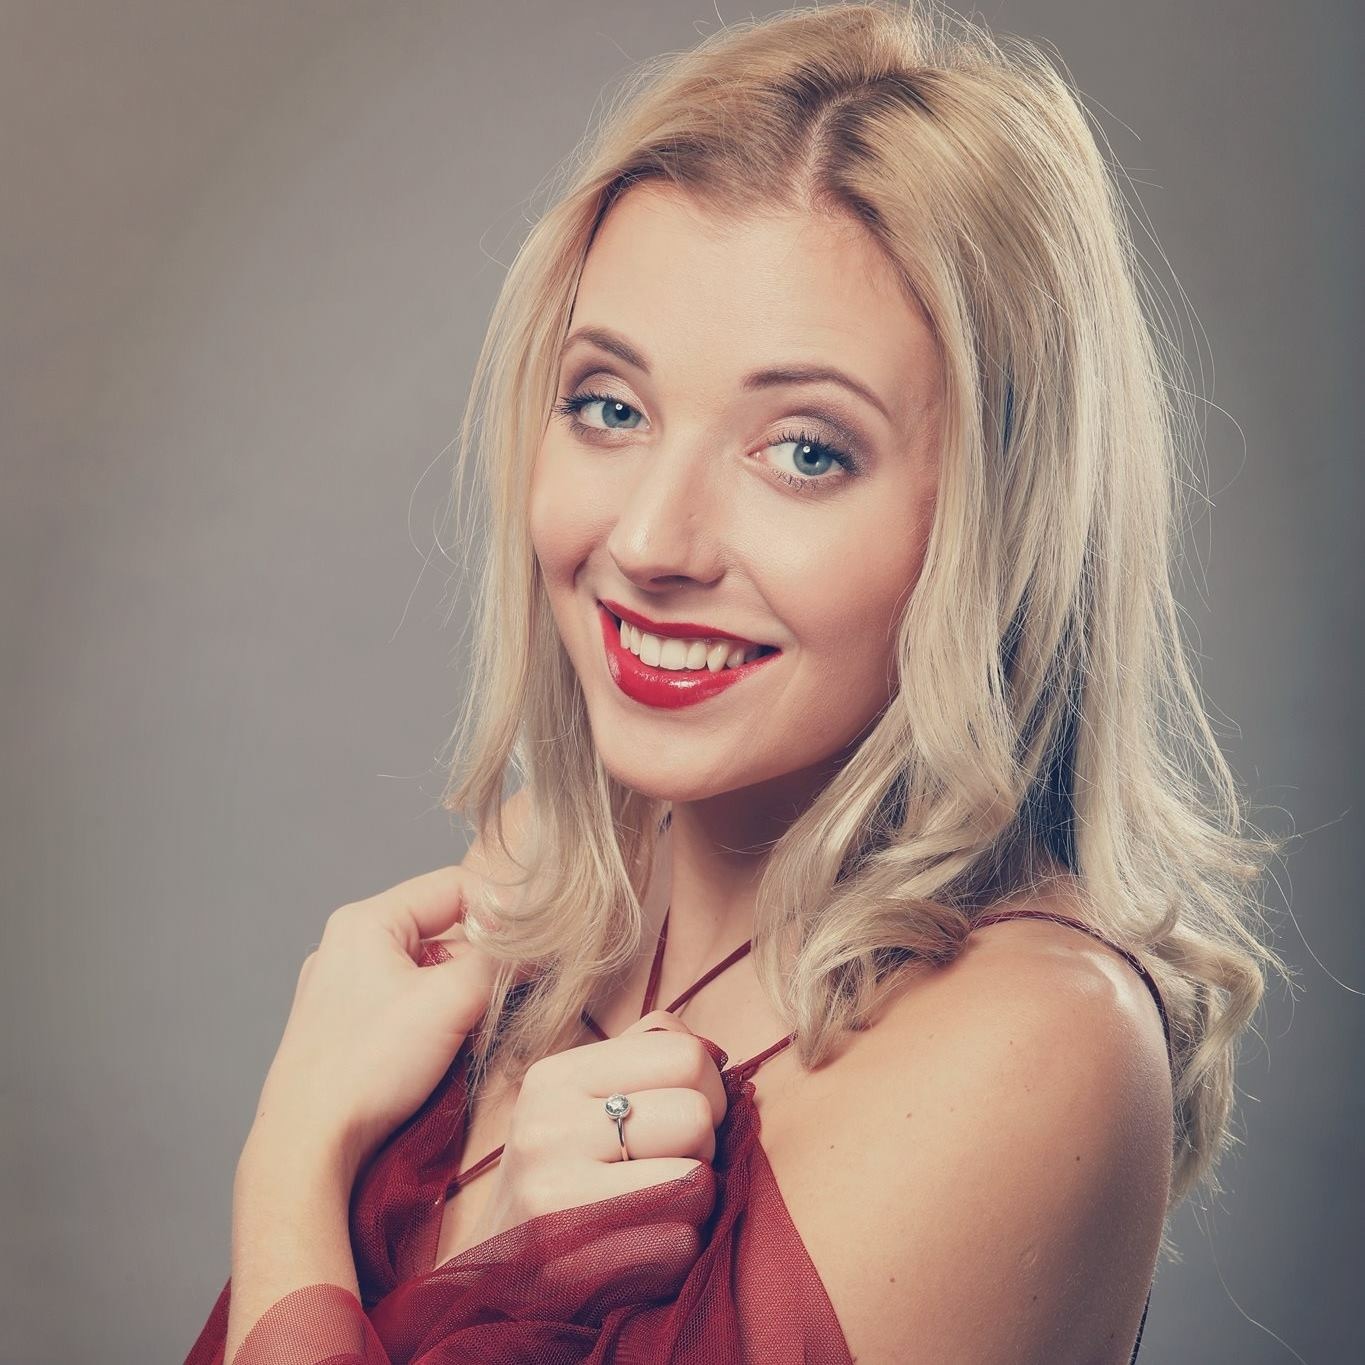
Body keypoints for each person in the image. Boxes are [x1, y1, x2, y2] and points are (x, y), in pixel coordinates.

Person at [185, 3, 1291, 1361]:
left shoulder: (1036, 1042)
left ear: (997, 521)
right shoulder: (544, 877)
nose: (651, 542)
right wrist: (506, 1249)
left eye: (805, 451)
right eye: (610, 406)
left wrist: (291, 1161)